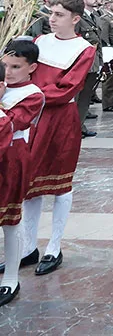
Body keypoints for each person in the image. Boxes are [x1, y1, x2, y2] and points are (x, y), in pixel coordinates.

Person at [20, 0, 96, 277]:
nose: (52, 19)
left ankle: (54, 246)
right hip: (31, 117)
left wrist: (30, 96)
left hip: (59, 120)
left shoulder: (84, 49)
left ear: (75, 19)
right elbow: (26, 74)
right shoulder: (39, 43)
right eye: (51, 13)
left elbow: (68, 87)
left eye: (59, 15)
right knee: (29, 183)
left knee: (60, 183)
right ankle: (28, 247)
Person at [0, 42, 46, 306]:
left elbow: (13, 123)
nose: (9, 72)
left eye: (16, 67)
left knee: (10, 219)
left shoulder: (32, 94)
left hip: (13, 156)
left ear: (32, 68)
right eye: (5, 65)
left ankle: (11, 279)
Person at [76, 0, 104, 138]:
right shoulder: (78, 18)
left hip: (94, 60)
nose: (95, 0)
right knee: (78, 97)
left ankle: (80, 125)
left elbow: (98, 40)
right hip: (82, 62)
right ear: (83, 0)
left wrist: (100, 61)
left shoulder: (95, 17)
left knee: (86, 96)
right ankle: (74, 127)